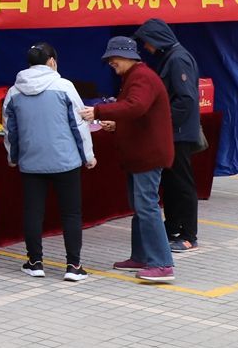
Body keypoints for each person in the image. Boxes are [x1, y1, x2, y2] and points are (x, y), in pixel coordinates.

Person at [82, 36, 175, 284]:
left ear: (127, 56)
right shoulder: (135, 76)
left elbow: (136, 106)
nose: (110, 63)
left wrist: (98, 111)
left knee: (147, 206)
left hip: (148, 155)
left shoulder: (141, 77)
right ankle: (141, 256)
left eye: (113, 58)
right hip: (141, 153)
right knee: (141, 206)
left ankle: (162, 264)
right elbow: (138, 114)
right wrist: (117, 125)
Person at [1, 42, 97, 282]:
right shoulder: (64, 86)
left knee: (33, 213)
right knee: (71, 213)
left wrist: (13, 157)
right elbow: (79, 124)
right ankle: (73, 266)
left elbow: (10, 130)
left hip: (31, 161)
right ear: (52, 61)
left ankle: (35, 263)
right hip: (66, 160)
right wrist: (88, 156)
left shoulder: (14, 91)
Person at [133, 19, 204, 252]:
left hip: (179, 133)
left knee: (183, 184)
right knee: (171, 183)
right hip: (173, 132)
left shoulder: (178, 59)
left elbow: (186, 99)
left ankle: (189, 235)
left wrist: (162, 121)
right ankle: (172, 226)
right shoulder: (171, 57)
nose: (146, 47)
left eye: (147, 42)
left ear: (157, 39)